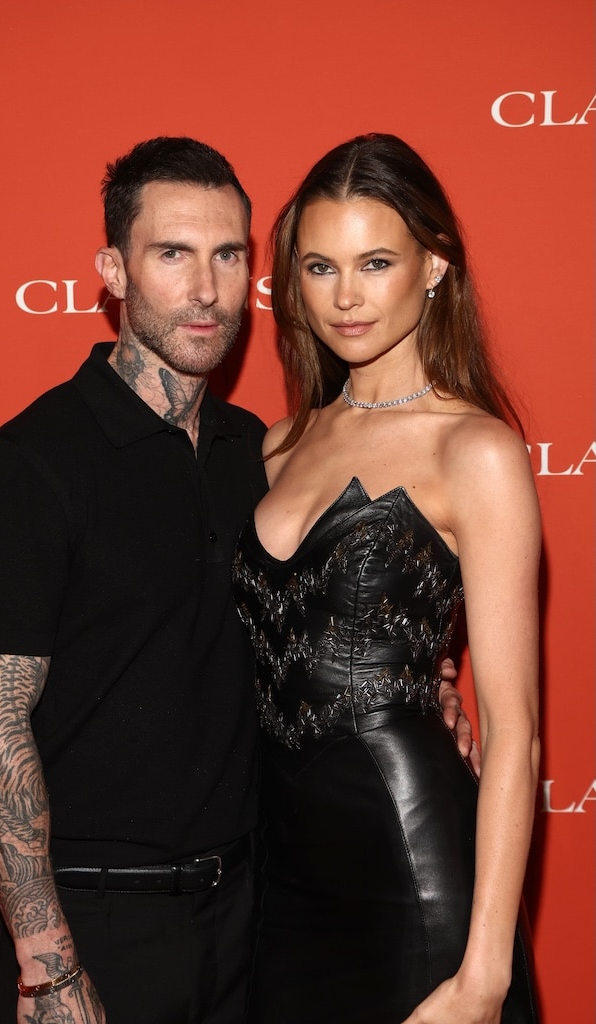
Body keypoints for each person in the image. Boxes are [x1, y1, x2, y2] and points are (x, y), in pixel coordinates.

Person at [0, 136, 472, 1024]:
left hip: (251, 920)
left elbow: (318, 618)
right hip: (92, 926)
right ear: (113, 271)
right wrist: (48, 969)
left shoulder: (255, 453)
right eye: (171, 254)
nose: (204, 289)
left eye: (227, 255)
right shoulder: (29, 465)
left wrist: (428, 682)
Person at [232, 133, 541, 1024]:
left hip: (413, 868)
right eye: (319, 267)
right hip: (282, 884)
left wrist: (483, 977)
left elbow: (514, 733)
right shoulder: (279, 445)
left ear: (433, 265)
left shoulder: (473, 450)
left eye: (375, 262)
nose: (345, 297)